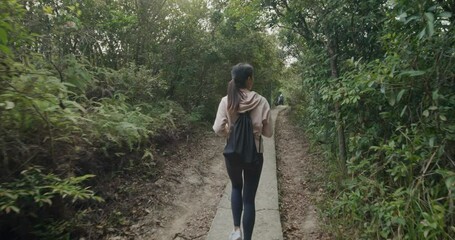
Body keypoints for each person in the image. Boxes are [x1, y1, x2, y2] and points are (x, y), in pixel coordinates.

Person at [213, 63, 273, 240]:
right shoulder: (261, 101)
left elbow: (217, 128)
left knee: (236, 187)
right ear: (248, 79)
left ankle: (236, 231)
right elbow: (268, 133)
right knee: (249, 199)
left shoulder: (226, 101)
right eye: (252, 77)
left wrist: (229, 133)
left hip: (233, 153)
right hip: (255, 154)